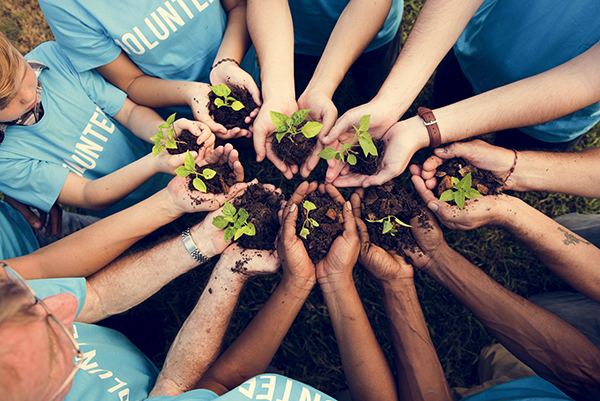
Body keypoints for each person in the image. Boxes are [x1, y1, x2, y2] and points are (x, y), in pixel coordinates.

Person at [348, 189, 600, 400]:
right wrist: (436, 257)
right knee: (500, 360)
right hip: (541, 386)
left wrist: (397, 284)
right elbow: (587, 375)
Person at [318, 0, 600, 187]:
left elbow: (586, 77)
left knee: (500, 173)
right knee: (445, 132)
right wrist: (391, 103)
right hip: (478, 50)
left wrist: (423, 128)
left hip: (554, 115)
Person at [0, 32, 215, 218]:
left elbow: (129, 112)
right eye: (5, 101)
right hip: (138, 212)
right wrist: (154, 162)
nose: (28, 95)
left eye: (22, 71)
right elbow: (88, 194)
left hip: (179, 170)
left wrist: (165, 133)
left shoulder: (52, 59)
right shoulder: (6, 158)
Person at [1, 145, 245, 279]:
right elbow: (40, 268)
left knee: (128, 248)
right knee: (103, 288)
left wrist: (10, 185)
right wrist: (170, 201)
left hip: (27, 227)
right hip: (23, 287)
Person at [37, 0, 261, 138]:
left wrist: (227, 61)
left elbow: (238, 6)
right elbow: (131, 81)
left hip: (247, 71)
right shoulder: (64, 5)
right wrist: (190, 93)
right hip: (184, 110)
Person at [247, 0, 404, 179]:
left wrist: (321, 87)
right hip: (290, 34)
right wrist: (279, 95)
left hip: (373, 29)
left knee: (375, 88)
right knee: (301, 84)